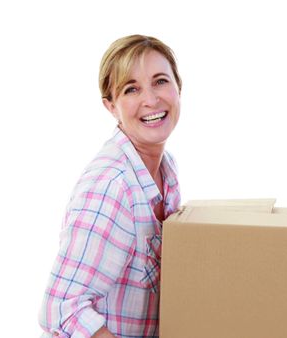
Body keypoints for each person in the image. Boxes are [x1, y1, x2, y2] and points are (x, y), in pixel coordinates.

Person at [38, 34, 182, 338]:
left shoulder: (165, 170)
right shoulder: (112, 185)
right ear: (111, 106)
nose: (151, 100)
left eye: (160, 81)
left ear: (178, 88)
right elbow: (61, 307)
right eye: (132, 89)